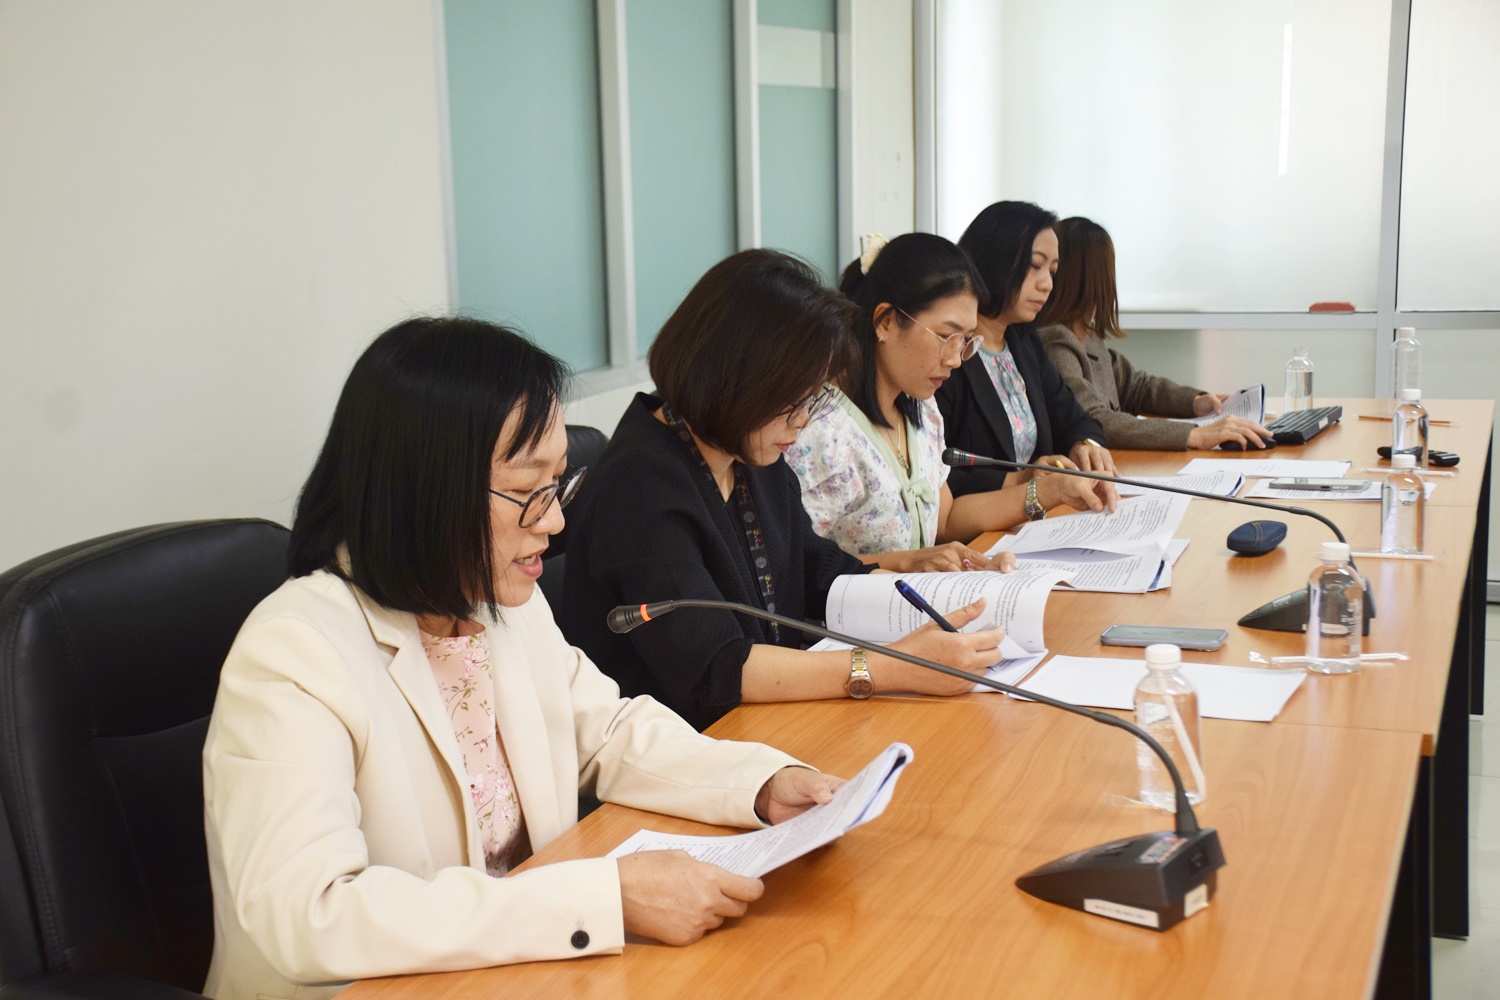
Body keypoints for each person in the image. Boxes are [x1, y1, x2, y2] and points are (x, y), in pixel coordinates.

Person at [201, 317, 845, 1000]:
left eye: (559, 485)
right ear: (427, 487)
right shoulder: (293, 652)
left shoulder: (496, 602)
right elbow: (312, 915)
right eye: (528, 490)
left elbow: (607, 732)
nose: (555, 521)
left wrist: (761, 782)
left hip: (518, 971)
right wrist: (602, 898)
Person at [560, 250, 1011, 732]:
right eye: (792, 401)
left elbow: (819, 573)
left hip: (761, 725)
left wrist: (940, 585)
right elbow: (715, 666)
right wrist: (895, 666)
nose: (802, 421)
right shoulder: (641, 485)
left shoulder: (746, 451)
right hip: (679, 745)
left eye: (811, 398)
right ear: (732, 377)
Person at [785, 233, 1115, 560]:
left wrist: (1051, 491)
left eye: (965, 340)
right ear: (886, 322)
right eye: (946, 336)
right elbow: (798, 569)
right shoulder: (820, 432)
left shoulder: (922, 410)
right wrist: (911, 564)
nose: (956, 359)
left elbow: (946, 519)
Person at [1036, 216, 1271, 451]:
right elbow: (1095, 420)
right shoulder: (1057, 343)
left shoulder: (1087, 336)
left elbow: (1136, 387)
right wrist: (1194, 435)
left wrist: (1193, 402)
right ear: (1098, 277)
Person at [938, 201, 1117, 498]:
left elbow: (1076, 419)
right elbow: (936, 469)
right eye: (1035, 266)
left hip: (1040, 512)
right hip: (979, 519)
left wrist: (1084, 445)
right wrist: (1020, 479)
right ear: (993, 258)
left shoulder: (1024, 343)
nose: (1047, 284)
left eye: (1052, 271)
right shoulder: (948, 351)